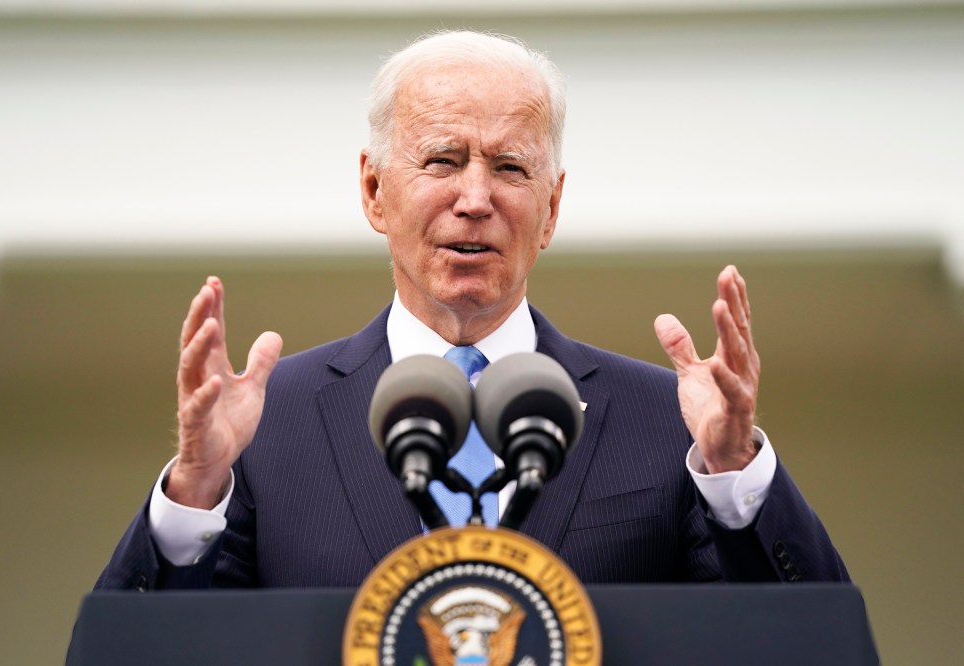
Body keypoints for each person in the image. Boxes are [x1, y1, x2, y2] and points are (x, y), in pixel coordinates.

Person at [96, 31, 848, 591]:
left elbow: (809, 641)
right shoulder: (265, 425)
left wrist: (736, 472)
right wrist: (195, 488)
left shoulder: (670, 424)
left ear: (551, 210)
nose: (476, 199)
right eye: (443, 160)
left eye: (511, 167)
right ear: (373, 191)